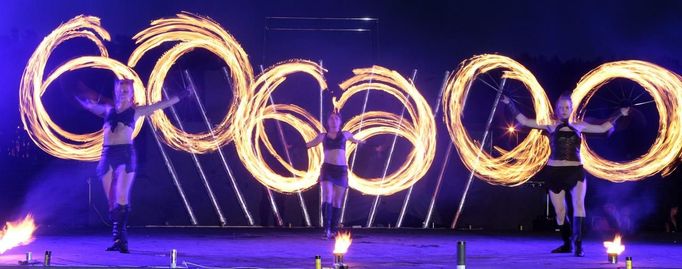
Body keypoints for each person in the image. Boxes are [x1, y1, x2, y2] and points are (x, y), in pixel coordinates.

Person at [502, 94, 628, 257]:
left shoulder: (579, 126)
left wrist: (619, 113)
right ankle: (567, 243)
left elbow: (603, 127)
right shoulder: (551, 126)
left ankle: (578, 245)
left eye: (567, 107)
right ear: (556, 109)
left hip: (575, 171)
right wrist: (510, 104)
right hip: (554, 172)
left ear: (571, 108)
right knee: (560, 212)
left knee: (578, 205)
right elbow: (525, 121)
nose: (564, 110)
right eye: (561, 107)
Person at [77, 79, 191, 253]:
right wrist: (74, 92)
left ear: (131, 93)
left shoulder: (136, 111)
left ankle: (122, 241)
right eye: (120, 89)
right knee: (112, 203)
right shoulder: (108, 111)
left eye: (126, 90)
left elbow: (161, 104)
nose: (123, 92)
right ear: (116, 92)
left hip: (125, 155)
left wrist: (182, 94)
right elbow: (90, 106)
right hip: (106, 155)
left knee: (121, 198)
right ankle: (117, 240)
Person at [306, 112, 364, 239]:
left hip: (341, 171)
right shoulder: (322, 136)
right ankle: (326, 229)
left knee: (337, 201)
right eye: (331, 118)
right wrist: (291, 146)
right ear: (327, 122)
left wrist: (369, 144)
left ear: (340, 122)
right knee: (328, 196)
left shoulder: (346, 134)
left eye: (336, 118)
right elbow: (308, 144)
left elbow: (357, 141)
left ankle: (333, 229)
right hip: (327, 169)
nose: (333, 120)